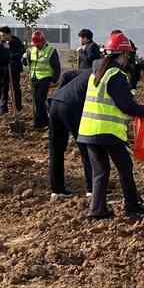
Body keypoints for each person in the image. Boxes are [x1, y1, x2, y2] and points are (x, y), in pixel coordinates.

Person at [78, 32, 144, 220]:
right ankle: (131, 207)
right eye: (128, 55)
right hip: (107, 132)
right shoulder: (116, 75)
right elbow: (126, 105)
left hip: (88, 131)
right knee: (125, 168)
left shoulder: (97, 72)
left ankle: (97, 211)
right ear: (123, 55)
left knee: (100, 172)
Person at [46, 68, 94, 200]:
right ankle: (92, 189)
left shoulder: (89, 71)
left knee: (56, 149)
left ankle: (57, 190)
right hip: (71, 107)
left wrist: (62, 91)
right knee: (87, 147)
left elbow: (67, 74)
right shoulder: (107, 74)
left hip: (55, 102)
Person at [24, 29, 61, 129]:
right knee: (37, 101)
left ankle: (39, 123)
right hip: (34, 77)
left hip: (45, 78)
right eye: (35, 44)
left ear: (43, 41)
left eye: (38, 43)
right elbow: (27, 63)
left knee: (39, 100)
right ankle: (45, 121)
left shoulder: (51, 50)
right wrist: (24, 58)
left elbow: (56, 67)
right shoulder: (31, 50)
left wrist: (54, 80)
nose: (37, 45)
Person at [0, 26, 24, 115]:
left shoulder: (17, 42)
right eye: (1, 35)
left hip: (14, 69)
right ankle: (3, 108)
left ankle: (18, 107)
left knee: (15, 88)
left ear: (9, 34)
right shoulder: (1, 43)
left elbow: (20, 53)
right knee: (3, 89)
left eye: (3, 35)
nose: (2, 37)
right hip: (4, 70)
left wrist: (10, 55)